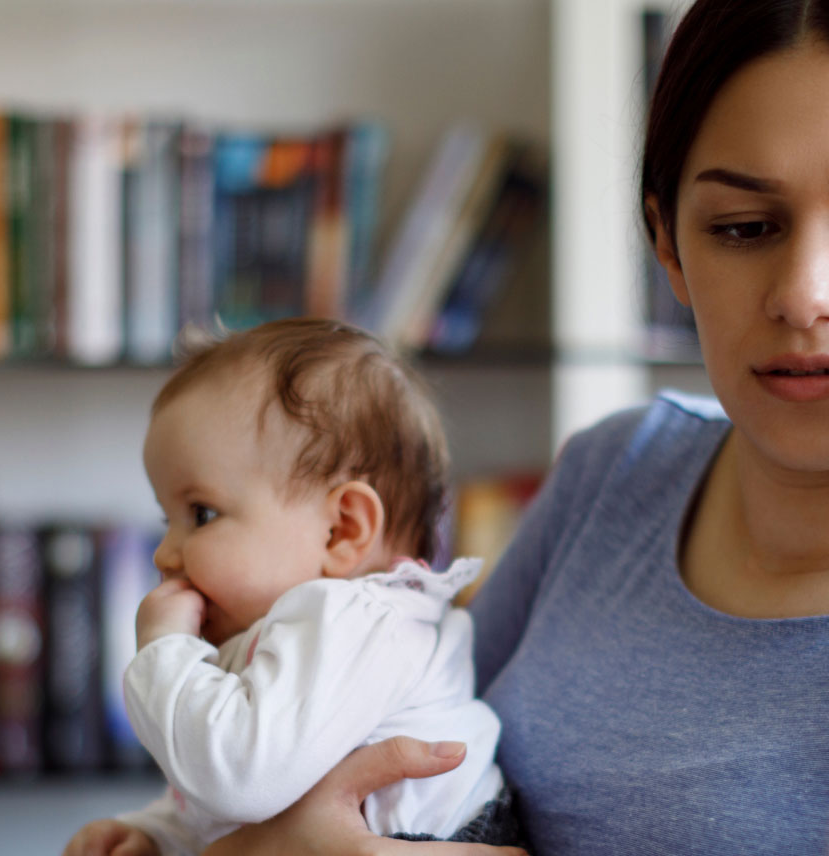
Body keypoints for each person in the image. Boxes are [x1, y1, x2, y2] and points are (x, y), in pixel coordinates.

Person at [201, 1, 829, 854]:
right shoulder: (618, 469)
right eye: (743, 229)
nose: (803, 294)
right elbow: (372, 761)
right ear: (668, 245)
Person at [62, 319, 521, 856]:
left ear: (342, 530)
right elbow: (246, 795)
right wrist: (157, 832)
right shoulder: (292, 630)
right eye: (168, 520)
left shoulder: (355, 618)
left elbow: (238, 777)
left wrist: (165, 652)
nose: (165, 555)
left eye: (201, 514)